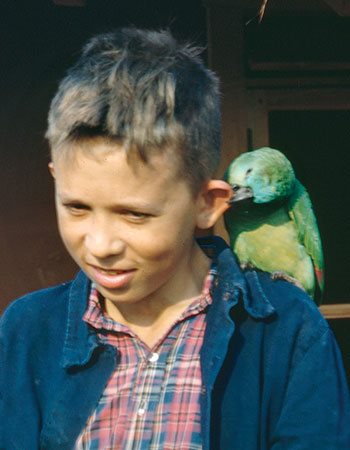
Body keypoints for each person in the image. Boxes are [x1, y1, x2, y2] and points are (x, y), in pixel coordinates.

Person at [1, 28, 349, 450]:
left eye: (135, 214)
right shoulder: (24, 333)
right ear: (55, 178)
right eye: (76, 207)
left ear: (209, 204)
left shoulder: (288, 331)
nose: (100, 245)